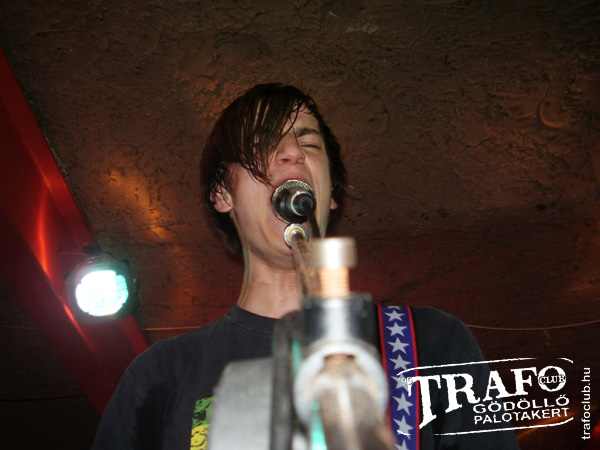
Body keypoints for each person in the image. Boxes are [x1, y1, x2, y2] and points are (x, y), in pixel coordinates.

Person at [91, 83, 520, 450]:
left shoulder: (431, 342)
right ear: (223, 194)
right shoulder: (161, 374)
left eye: (309, 144)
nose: (293, 152)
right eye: (263, 143)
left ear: (330, 194)